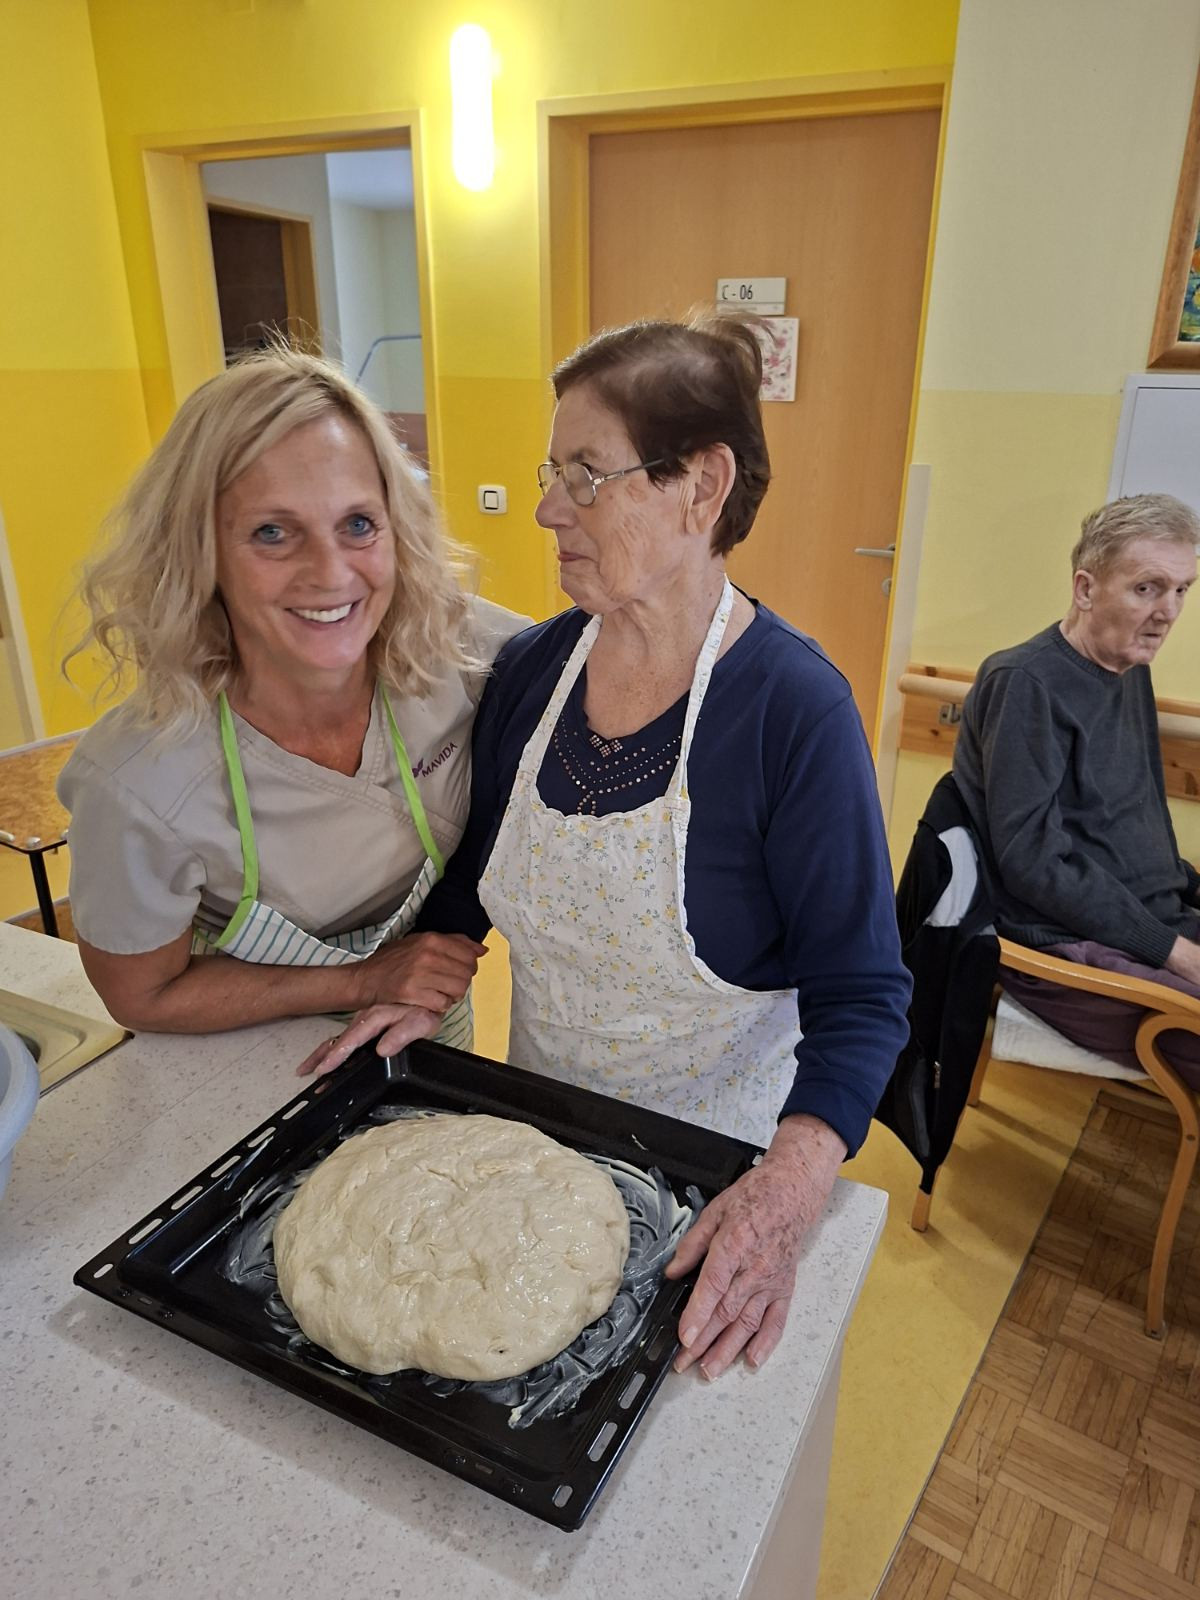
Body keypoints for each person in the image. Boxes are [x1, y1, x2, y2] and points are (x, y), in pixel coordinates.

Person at [301, 313, 912, 1380]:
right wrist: (422, 969)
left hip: (714, 1182)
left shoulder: (793, 712)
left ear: (700, 486)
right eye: (551, 471)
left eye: (585, 475)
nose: (545, 508)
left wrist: (790, 1183)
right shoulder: (534, 674)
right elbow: (472, 886)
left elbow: (863, 991)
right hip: (529, 1141)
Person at [58, 347, 529, 1043]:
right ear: (200, 552)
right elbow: (143, 996)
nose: (331, 574)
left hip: (419, 1016)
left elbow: (618, 674)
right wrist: (362, 980)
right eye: (272, 533)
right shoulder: (140, 783)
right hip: (236, 1041)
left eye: (359, 525)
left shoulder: (461, 653)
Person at [951, 493, 1200, 1083]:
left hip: (1149, 920)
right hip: (1066, 947)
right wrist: (1177, 951)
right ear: (1086, 589)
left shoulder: (1128, 666)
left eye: (1182, 590)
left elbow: (1129, 823)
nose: (1167, 611)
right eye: (1147, 588)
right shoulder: (1025, 683)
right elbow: (1032, 864)